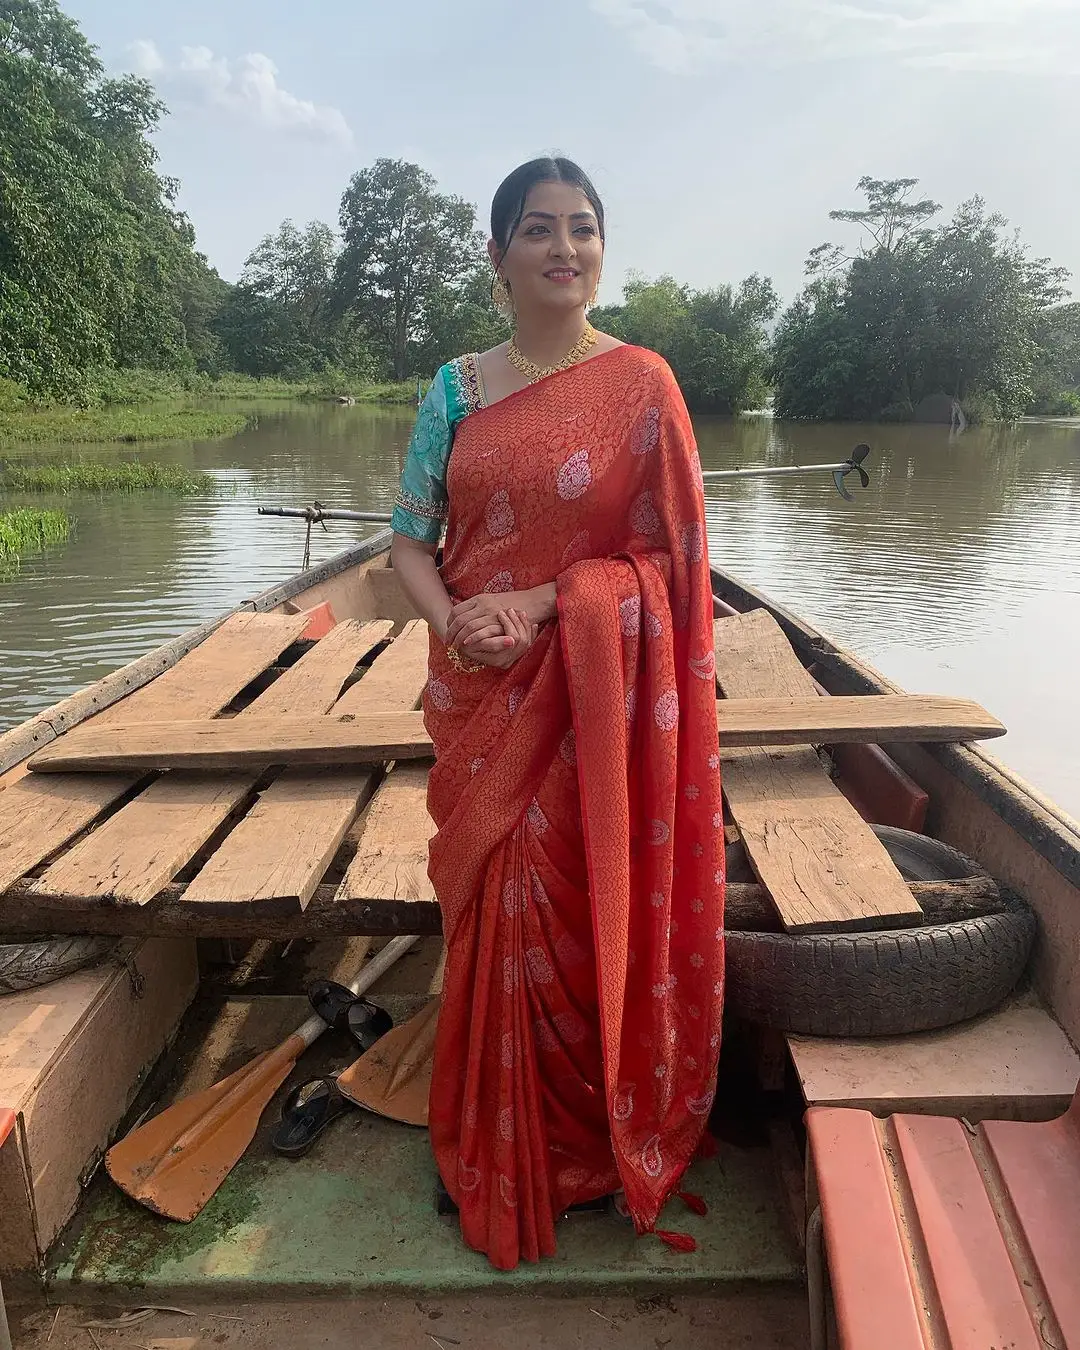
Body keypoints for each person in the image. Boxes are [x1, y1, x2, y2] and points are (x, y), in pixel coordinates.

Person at [389, 157, 725, 1271]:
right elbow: (407, 538)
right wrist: (452, 623)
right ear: (497, 256)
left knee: (576, 904)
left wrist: (542, 603)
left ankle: (581, 1142)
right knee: (490, 906)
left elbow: (675, 562)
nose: (564, 249)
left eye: (584, 229)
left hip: (591, 703)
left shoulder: (645, 385)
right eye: (539, 230)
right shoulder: (454, 392)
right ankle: (491, 1134)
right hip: (479, 691)